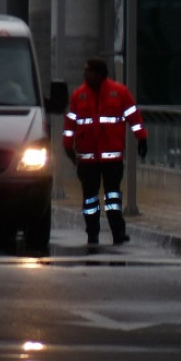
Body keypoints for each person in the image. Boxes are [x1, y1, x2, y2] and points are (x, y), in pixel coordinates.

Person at [63, 57, 148, 246]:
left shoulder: (119, 93)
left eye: (89, 71)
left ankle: (118, 233)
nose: (85, 74)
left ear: (99, 73)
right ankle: (92, 233)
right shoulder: (79, 96)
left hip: (111, 157)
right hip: (88, 158)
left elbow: (134, 117)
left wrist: (141, 137)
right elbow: (70, 125)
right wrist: (68, 146)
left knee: (112, 197)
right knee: (90, 200)